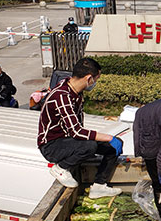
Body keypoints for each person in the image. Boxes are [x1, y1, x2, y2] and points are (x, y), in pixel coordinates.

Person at [37, 58, 124, 198]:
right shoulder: (61, 96)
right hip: (52, 145)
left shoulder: (76, 92)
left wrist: (111, 141)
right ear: (89, 78)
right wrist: (109, 137)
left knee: (112, 147)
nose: (95, 83)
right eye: (96, 79)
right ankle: (60, 168)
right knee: (89, 146)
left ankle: (99, 186)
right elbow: (76, 131)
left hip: (69, 141)